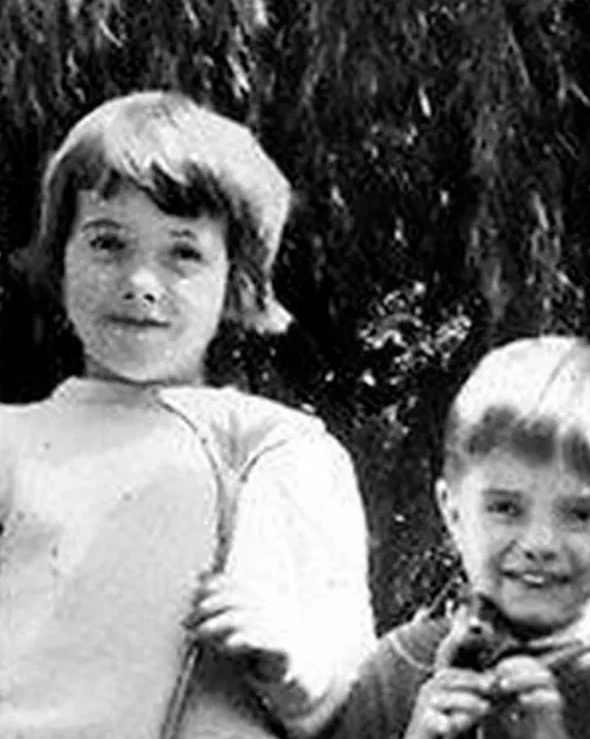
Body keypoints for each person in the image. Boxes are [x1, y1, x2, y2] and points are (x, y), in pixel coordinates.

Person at [0, 91, 375, 739]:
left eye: (183, 254)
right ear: (60, 256)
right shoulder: (13, 443)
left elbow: (354, 687)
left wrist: (290, 663)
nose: (141, 282)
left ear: (236, 279)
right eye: (108, 242)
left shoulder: (282, 453)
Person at [328, 336, 590, 739]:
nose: (540, 544)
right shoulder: (399, 668)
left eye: (582, 515)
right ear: (453, 512)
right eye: (505, 509)